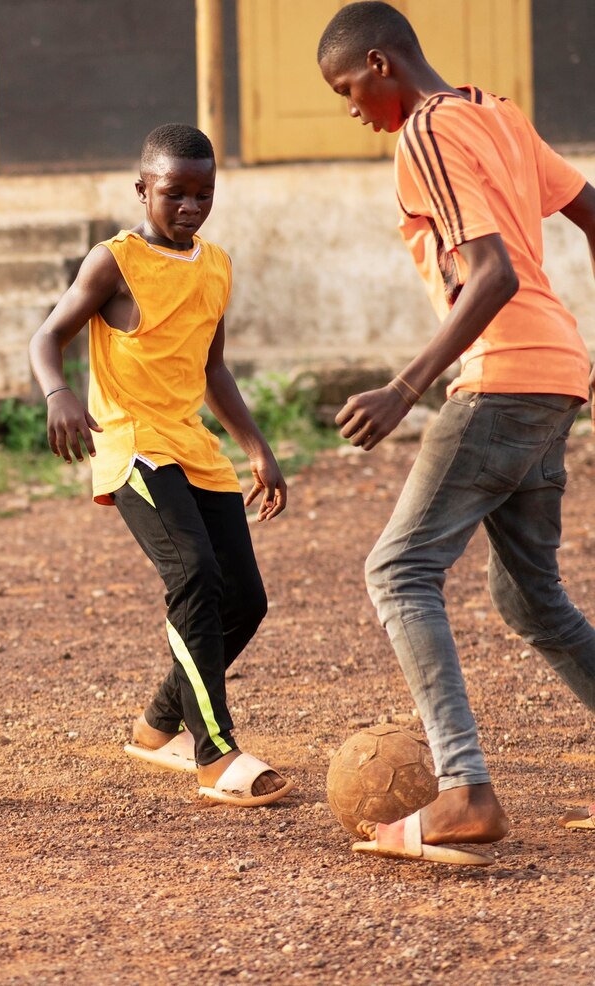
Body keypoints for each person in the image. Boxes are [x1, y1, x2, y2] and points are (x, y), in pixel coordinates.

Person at [318, 1, 595, 865]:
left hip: (504, 377)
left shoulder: (426, 133)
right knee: (529, 598)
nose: (351, 109)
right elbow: (593, 211)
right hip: (555, 376)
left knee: (398, 570)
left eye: (347, 89)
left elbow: (493, 274)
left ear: (380, 63)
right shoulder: (497, 112)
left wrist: (405, 388)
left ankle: (465, 791)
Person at [29, 123, 292, 809]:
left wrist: (257, 448)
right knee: (194, 575)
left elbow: (213, 369)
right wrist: (58, 393)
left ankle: (156, 726)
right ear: (142, 189)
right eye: (175, 193)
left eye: (204, 194)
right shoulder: (114, 262)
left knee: (246, 600)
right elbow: (47, 336)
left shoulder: (216, 265)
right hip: (132, 442)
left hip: (193, 445)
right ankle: (214, 751)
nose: (190, 207)